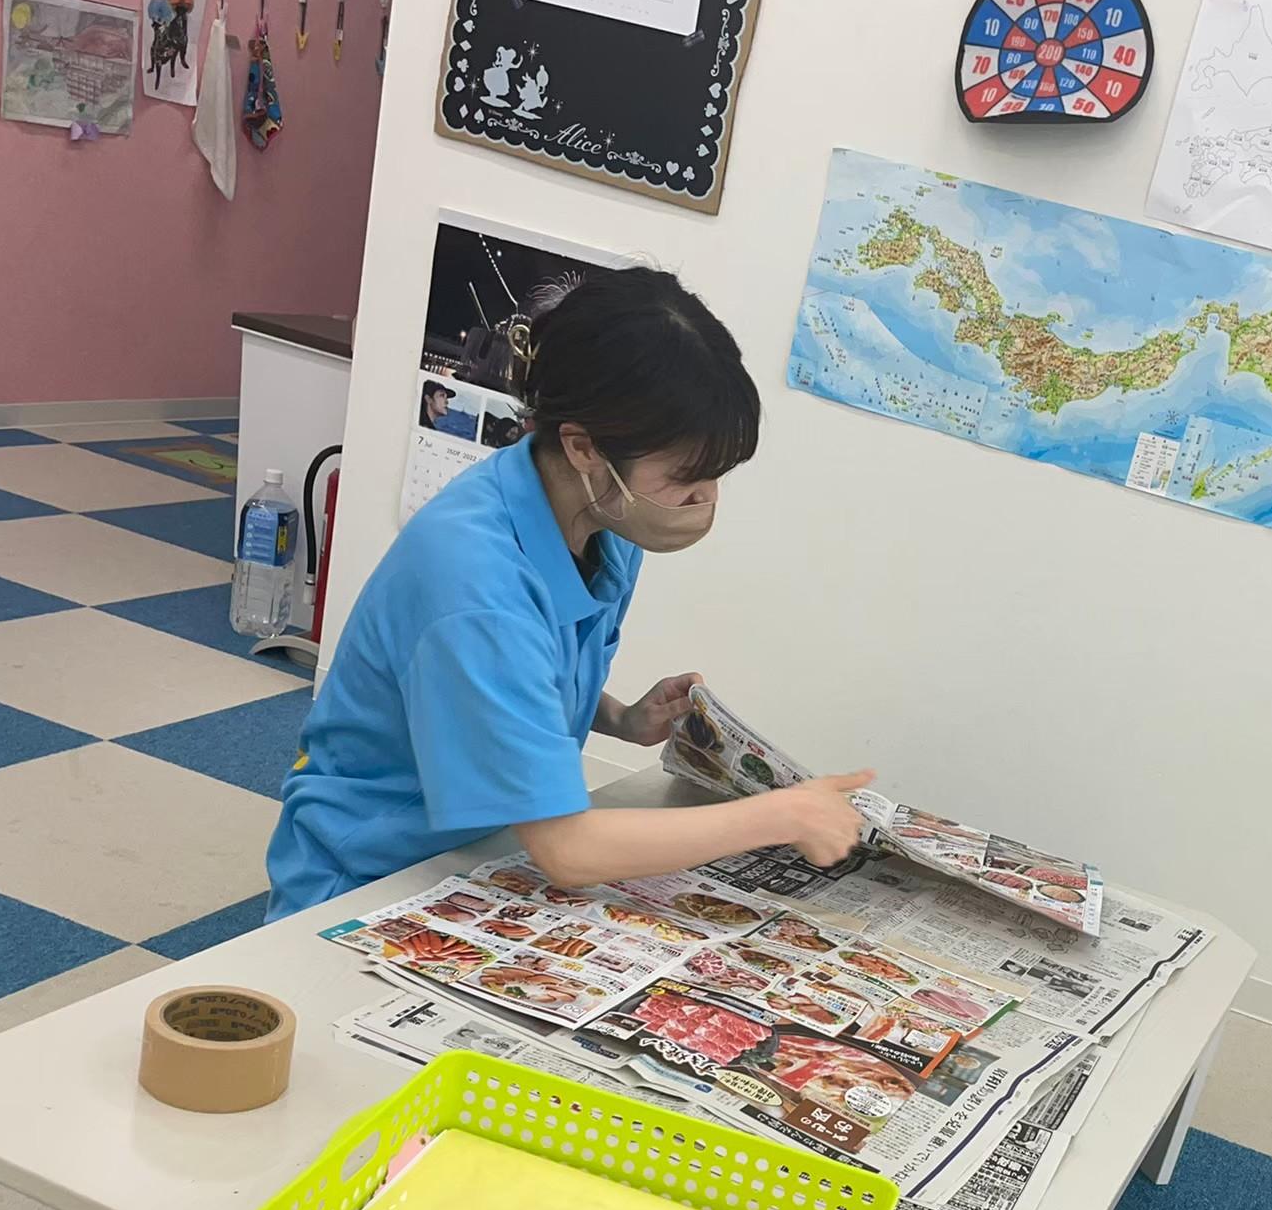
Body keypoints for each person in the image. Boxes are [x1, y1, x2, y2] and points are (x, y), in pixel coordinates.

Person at [266, 267, 872, 918]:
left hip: (481, 850)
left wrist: (620, 718)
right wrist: (780, 815)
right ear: (583, 447)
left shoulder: (603, 522)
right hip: (365, 877)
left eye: (717, 476)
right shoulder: (474, 577)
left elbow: (524, 670)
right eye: (686, 477)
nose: (705, 500)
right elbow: (568, 850)